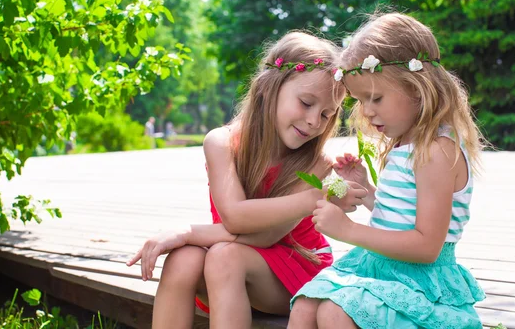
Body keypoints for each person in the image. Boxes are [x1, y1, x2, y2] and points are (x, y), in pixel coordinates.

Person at [127, 32, 368, 329]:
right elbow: (235, 217)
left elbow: (261, 235)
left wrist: (185, 231)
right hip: (232, 263)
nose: (313, 121)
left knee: (223, 256)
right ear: (269, 88)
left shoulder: (315, 164)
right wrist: (185, 239)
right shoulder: (222, 142)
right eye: (306, 103)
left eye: (326, 114)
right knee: (183, 259)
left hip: (301, 269)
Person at [289, 13, 488, 329]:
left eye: (375, 98)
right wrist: (368, 191)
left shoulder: (436, 150)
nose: (367, 111)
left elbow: (426, 247)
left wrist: (348, 231)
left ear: (416, 87)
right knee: (305, 305)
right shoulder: (405, 143)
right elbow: (402, 214)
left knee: (334, 312)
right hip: (381, 267)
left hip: (420, 280)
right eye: (360, 100)